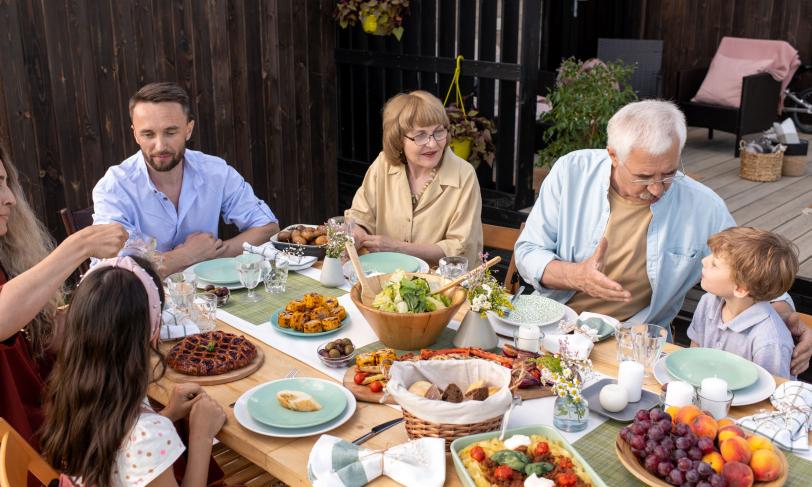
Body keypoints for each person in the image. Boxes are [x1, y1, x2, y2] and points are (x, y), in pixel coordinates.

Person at [514, 100, 812, 375]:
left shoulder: (702, 205)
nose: (657, 188)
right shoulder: (572, 172)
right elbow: (528, 251)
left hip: (635, 349)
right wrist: (576, 276)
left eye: (669, 174)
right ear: (613, 156)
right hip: (553, 328)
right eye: (644, 177)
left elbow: (747, 269)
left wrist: (785, 315)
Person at [41, 255, 226, 487]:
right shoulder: (147, 435)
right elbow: (140, 445)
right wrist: (202, 436)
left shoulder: (73, 396)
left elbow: (119, 451)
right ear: (153, 331)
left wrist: (168, 415)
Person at [0, 142, 128, 449]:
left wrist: (110, 298)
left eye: (5, 183)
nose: (10, 199)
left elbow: (40, 338)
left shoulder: (4, 255)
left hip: (54, 411)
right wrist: (79, 245)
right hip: (32, 446)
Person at [92, 82, 279, 276]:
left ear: (188, 129)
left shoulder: (215, 171)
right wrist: (187, 255)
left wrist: (208, 256)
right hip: (139, 303)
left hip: (209, 296)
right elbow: (118, 272)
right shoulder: (114, 186)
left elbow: (268, 227)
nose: (159, 146)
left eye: (170, 132)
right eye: (148, 134)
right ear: (135, 135)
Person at [345, 90, 483, 267]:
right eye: (421, 135)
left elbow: (459, 249)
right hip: (385, 275)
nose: (432, 144)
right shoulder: (383, 165)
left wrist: (398, 248)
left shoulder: (464, 175)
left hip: (444, 285)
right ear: (398, 139)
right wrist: (355, 235)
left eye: (438, 132)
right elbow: (360, 217)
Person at [688, 228, 799, 378]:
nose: (704, 260)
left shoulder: (769, 340)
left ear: (740, 289)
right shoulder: (708, 302)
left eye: (714, 264)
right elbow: (694, 352)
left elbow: (773, 393)